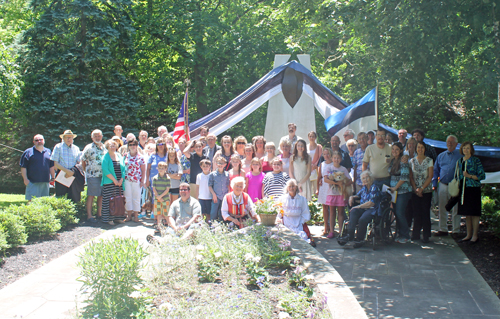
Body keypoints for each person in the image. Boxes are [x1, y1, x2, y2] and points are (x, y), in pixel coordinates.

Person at [455, 142, 485, 244]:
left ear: (471, 150)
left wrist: (469, 176)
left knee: (474, 214)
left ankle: (475, 236)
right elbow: (458, 175)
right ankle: (468, 235)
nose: (466, 150)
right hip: (464, 189)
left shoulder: (476, 161)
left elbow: (482, 176)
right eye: (464, 148)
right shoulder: (460, 161)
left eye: (468, 148)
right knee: (467, 213)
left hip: (474, 189)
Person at [433, 135, 462, 237]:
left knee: (456, 208)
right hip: (443, 184)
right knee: (442, 207)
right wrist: (434, 184)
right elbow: (435, 171)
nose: (450, 144)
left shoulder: (460, 155)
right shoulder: (441, 156)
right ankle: (443, 229)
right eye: (448, 142)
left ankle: (455, 230)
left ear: (456, 144)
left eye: (452, 142)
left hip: (455, 185)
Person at [346, 170, 380, 248]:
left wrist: (358, 206)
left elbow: (371, 203)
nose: (365, 180)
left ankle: (360, 239)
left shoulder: (374, 187)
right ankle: (350, 235)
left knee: (362, 219)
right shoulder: (364, 188)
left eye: (366, 178)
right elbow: (358, 195)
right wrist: (351, 197)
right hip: (363, 208)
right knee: (353, 211)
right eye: (363, 178)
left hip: (371, 209)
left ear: (371, 178)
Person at [322, 151, 351, 239]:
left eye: (338, 158)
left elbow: (350, 180)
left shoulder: (343, 169)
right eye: (334, 158)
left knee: (341, 212)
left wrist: (343, 183)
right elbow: (326, 180)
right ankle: (331, 231)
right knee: (332, 212)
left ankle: (340, 231)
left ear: (341, 159)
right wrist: (336, 182)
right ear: (332, 159)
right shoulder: (329, 168)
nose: (336, 160)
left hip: (341, 193)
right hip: (331, 193)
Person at [409, 141, 434, 243]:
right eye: (418, 147)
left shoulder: (429, 161)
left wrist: (422, 188)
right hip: (415, 191)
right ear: (416, 149)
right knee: (416, 212)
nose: (420, 149)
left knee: (425, 212)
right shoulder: (411, 161)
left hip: (426, 191)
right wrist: (416, 189)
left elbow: (430, 176)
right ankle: (416, 234)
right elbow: (411, 177)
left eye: (422, 147)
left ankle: (426, 235)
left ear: (425, 149)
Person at [387, 142, 411, 243]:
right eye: (393, 149)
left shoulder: (403, 161)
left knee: (400, 213)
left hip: (403, 191)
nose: (394, 151)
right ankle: (399, 234)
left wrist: (395, 187)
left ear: (401, 150)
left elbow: (404, 177)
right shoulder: (393, 161)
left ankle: (406, 236)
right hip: (394, 192)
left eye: (397, 149)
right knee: (396, 213)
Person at [20, 134, 55, 201]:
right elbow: (23, 167)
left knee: (44, 202)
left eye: (40, 140)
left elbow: (51, 166)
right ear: (33, 142)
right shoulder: (28, 152)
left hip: (45, 182)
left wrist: (53, 178)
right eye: (36, 140)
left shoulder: (48, 152)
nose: (39, 141)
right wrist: (25, 179)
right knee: (31, 201)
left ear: (44, 141)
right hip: (32, 182)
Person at [81, 130, 106, 221]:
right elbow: (83, 161)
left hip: (103, 176)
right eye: (95, 136)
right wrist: (86, 171)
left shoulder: (104, 147)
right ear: (92, 137)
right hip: (92, 175)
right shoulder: (88, 147)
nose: (97, 137)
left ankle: (99, 214)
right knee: (91, 195)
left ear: (102, 136)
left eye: (99, 136)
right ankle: (89, 216)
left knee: (101, 195)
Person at [101, 139, 126, 226]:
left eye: (114, 145)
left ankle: (118, 218)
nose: (113, 147)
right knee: (109, 201)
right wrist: (114, 180)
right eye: (111, 146)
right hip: (109, 182)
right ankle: (108, 219)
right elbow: (105, 170)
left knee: (119, 200)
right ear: (107, 147)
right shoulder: (105, 157)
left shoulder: (119, 155)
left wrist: (121, 179)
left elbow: (124, 169)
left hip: (119, 183)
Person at [51, 130, 81, 200]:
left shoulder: (76, 148)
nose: (69, 139)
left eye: (70, 137)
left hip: (73, 174)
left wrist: (72, 172)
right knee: (60, 196)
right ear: (63, 138)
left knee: (73, 196)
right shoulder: (58, 147)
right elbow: (55, 162)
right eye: (67, 137)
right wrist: (67, 171)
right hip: (61, 173)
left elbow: (78, 162)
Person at [123, 138, 145, 222]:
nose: (132, 146)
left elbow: (143, 170)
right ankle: (129, 216)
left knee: (136, 198)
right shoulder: (125, 155)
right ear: (128, 146)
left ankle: (136, 216)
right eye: (130, 145)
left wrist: (142, 181)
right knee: (128, 197)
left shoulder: (140, 157)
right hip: (127, 180)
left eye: (134, 145)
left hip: (137, 180)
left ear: (137, 146)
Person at [317, 148, 334, 236]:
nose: (326, 156)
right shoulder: (322, 164)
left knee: (331, 207)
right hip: (323, 187)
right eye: (324, 154)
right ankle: (325, 226)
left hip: (331, 187)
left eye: (328, 154)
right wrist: (317, 189)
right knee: (324, 207)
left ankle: (331, 228)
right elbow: (319, 177)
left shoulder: (333, 164)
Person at [208, 157, 230, 222]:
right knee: (213, 213)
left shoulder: (227, 174)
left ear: (225, 164)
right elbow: (209, 185)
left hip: (224, 197)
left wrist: (228, 195)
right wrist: (213, 194)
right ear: (216, 164)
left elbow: (227, 185)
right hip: (216, 197)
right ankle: (212, 226)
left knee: (222, 213)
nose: (220, 165)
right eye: (219, 163)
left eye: (222, 163)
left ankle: (222, 227)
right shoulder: (212, 174)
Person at [152, 161, 171, 228]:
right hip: (157, 199)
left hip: (165, 199)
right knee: (158, 213)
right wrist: (158, 197)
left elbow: (167, 189)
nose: (161, 170)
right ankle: (159, 227)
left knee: (166, 213)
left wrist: (161, 196)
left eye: (162, 168)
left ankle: (170, 226)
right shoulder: (155, 178)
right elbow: (154, 188)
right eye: (159, 168)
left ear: (165, 169)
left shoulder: (167, 178)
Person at [307, 131, 322, 195]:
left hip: (316, 170)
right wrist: (309, 165)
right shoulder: (306, 146)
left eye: (313, 136)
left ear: (315, 137)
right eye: (310, 136)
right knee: (309, 190)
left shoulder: (319, 147)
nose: (311, 138)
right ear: (308, 137)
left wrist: (315, 165)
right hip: (308, 169)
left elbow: (320, 157)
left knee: (317, 189)